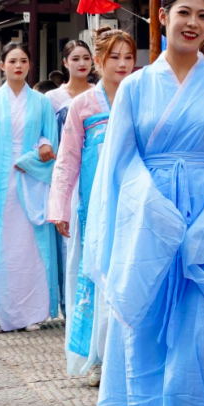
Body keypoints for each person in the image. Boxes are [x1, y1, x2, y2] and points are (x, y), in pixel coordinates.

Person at [84, 0, 204, 406]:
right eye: (184, 13)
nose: (192, 23)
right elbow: (118, 161)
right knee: (144, 328)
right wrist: (153, 210)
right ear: (163, 17)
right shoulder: (135, 86)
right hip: (148, 218)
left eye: (202, 15)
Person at [48, 26, 136, 387]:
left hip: (134, 204)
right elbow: (67, 159)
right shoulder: (81, 106)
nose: (122, 64)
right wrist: (60, 207)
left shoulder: (141, 96)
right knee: (94, 277)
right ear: (99, 61)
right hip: (95, 208)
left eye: (129, 57)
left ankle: (128, 354)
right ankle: (98, 356)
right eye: (114, 57)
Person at [0, 42, 59, 335]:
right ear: (1, 66)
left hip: (30, 180)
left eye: (24, 60)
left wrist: (39, 149)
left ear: (30, 65)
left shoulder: (42, 103)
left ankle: (33, 312)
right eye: (12, 61)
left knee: (31, 245)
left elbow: (52, 140)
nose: (19, 65)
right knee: (0, 244)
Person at [47, 40, 94, 113]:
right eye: (75, 59)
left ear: (91, 60)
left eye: (86, 58)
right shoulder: (53, 97)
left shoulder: (101, 93)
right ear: (65, 62)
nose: (82, 63)